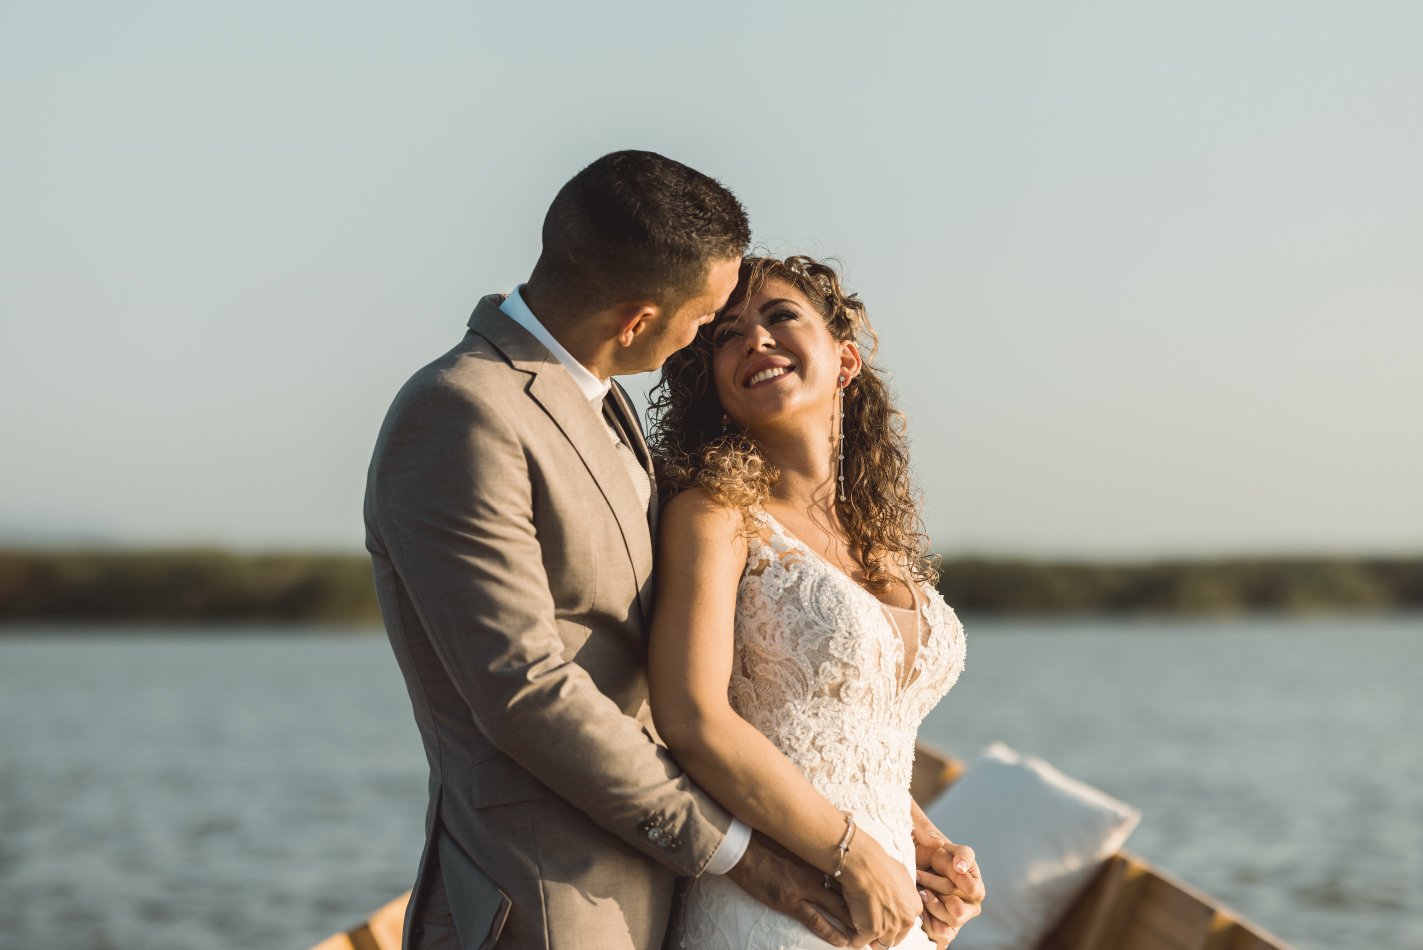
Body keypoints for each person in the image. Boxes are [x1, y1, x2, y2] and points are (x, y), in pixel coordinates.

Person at [364, 153, 860, 950]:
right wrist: (741, 856)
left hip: (665, 896)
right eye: (704, 318)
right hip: (550, 901)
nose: (704, 336)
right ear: (635, 320)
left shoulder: (604, 402)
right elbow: (524, 691)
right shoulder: (459, 413)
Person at [646, 255, 983, 949]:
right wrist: (854, 853)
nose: (756, 341)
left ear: (846, 361)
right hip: (777, 913)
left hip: (890, 909)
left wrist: (926, 851)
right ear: (713, 381)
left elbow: (853, 742)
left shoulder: (880, 541)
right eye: (727, 335)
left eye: (779, 317)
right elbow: (694, 719)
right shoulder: (714, 517)